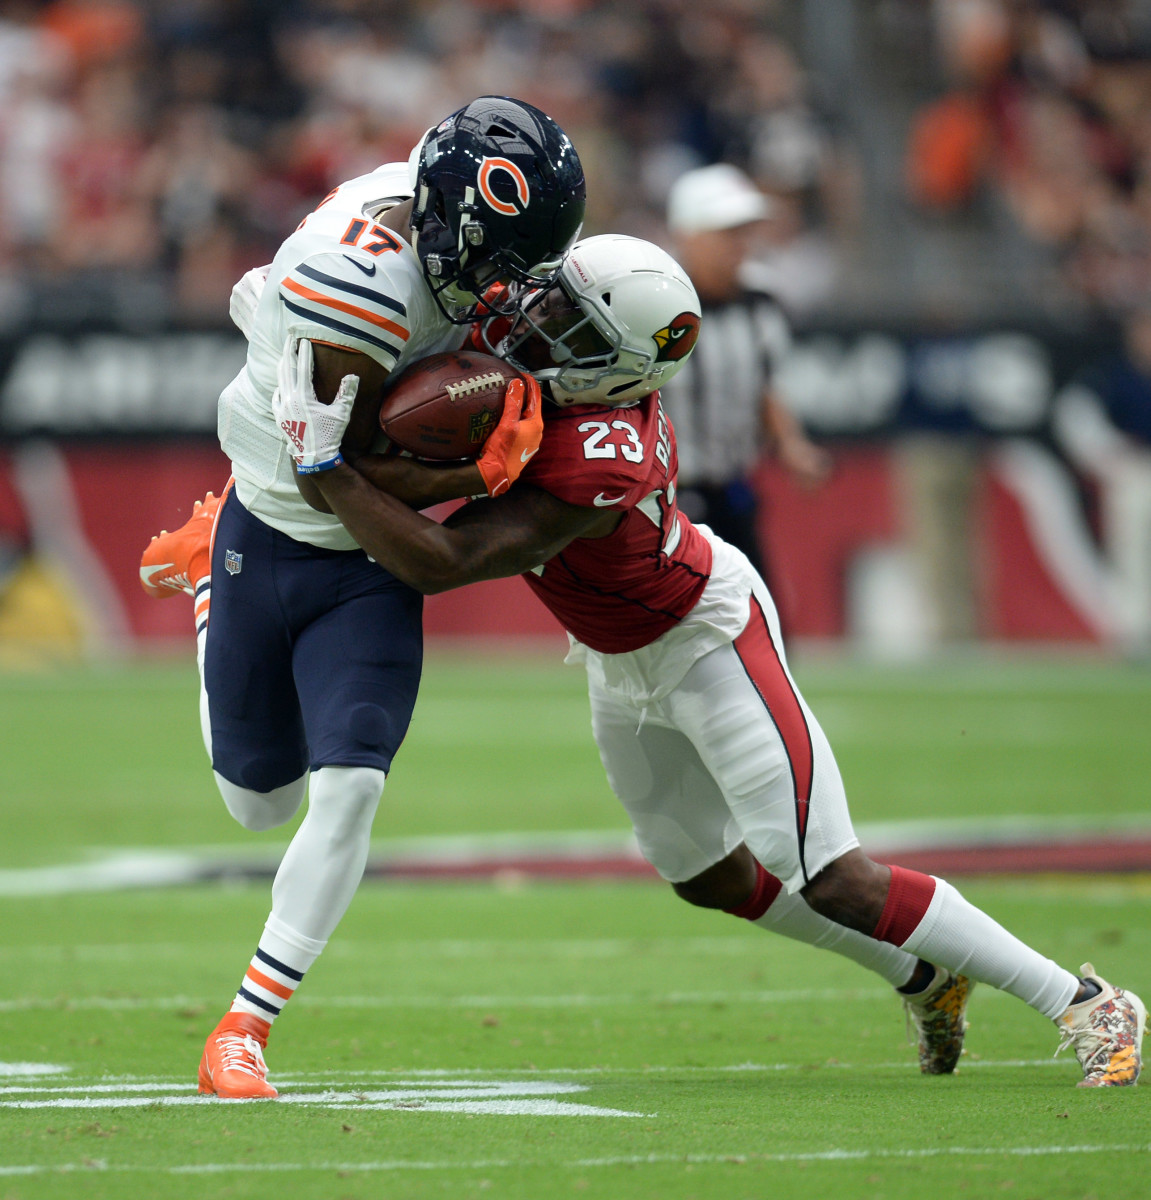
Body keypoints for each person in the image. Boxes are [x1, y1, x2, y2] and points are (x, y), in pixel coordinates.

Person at [270, 231, 1144, 1091]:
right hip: (616, 658)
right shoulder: (534, 348)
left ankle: (1084, 1000)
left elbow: (442, 561)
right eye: (555, 298)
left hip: (702, 639)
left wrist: (323, 462)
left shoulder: (601, 451)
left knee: (832, 874)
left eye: (570, 326)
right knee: (704, 874)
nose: (537, 322)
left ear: (617, 369)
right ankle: (922, 976)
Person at [138, 95, 586, 1100]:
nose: (511, 287)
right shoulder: (350, 286)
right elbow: (337, 470)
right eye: (498, 260)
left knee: (351, 787)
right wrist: (484, 467)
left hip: (363, 565)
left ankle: (242, 1028)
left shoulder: (419, 223)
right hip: (281, 514)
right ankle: (211, 572)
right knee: (256, 803)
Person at [659, 163, 829, 589]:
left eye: (744, 231)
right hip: (663, 500)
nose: (740, 245)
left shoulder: (760, 302)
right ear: (686, 235)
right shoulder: (653, 302)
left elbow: (765, 386)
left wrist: (792, 444)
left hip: (733, 488)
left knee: (759, 617)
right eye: (726, 232)